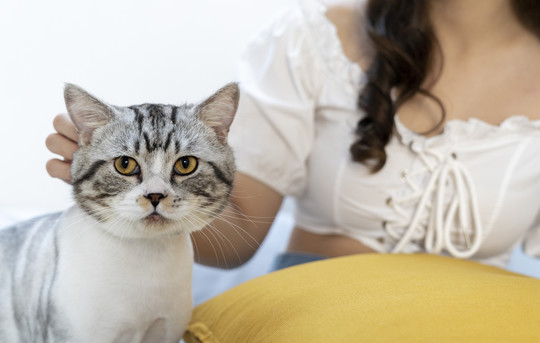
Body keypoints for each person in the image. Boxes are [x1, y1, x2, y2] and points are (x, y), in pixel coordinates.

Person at [46, 0, 540, 271]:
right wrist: (121, 197)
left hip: (481, 330)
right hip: (315, 319)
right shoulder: (309, 39)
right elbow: (234, 242)